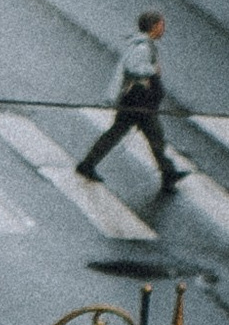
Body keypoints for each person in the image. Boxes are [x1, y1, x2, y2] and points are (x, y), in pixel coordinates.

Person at [77, 12, 184, 193]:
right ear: (153, 27)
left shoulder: (145, 44)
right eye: (161, 25)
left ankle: (168, 173)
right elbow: (132, 67)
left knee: (140, 134)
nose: (163, 29)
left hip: (139, 101)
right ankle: (168, 174)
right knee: (150, 136)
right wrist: (153, 70)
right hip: (138, 101)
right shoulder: (142, 47)